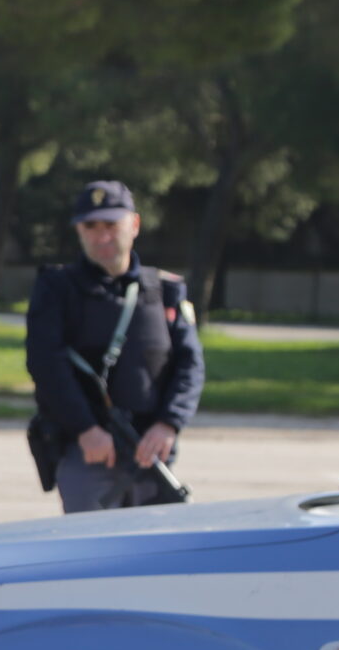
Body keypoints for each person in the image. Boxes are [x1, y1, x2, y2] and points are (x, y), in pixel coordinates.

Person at [26, 179, 205, 513]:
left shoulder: (165, 290)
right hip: (89, 451)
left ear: (134, 224)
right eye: (90, 226)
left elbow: (189, 364)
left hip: (151, 452)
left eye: (111, 224)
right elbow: (45, 364)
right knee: (91, 557)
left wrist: (169, 423)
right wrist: (86, 429)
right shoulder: (56, 288)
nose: (101, 235)